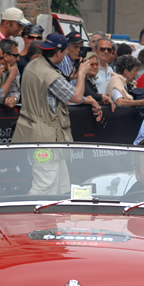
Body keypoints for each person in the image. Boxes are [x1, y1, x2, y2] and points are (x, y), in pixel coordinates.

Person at [11, 33, 102, 194]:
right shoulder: (49, 75)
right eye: (66, 51)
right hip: (46, 138)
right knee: (44, 185)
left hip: (38, 133)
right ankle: (29, 217)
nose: (66, 54)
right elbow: (76, 96)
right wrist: (81, 74)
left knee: (61, 186)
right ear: (59, 52)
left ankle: (55, 218)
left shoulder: (33, 66)